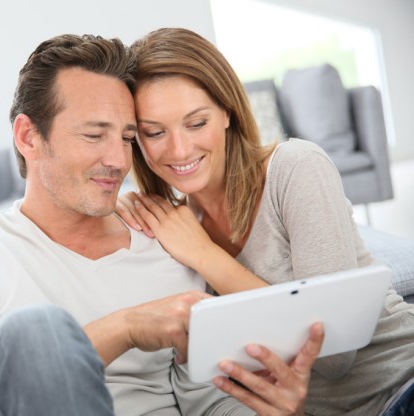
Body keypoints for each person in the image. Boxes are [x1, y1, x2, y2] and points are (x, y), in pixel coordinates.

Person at [0, 33, 325, 416]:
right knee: (36, 332)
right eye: (95, 135)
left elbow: (208, 399)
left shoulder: (164, 241)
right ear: (28, 137)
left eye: (128, 138)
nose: (118, 161)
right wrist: (123, 328)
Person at [116, 27, 414, 416]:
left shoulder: (295, 169)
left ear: (227, 111)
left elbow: (332, 358)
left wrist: (206, 256)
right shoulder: (172, 226)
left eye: (196, 123)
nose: (180, 149)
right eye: (155, 132)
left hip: (401, 383)